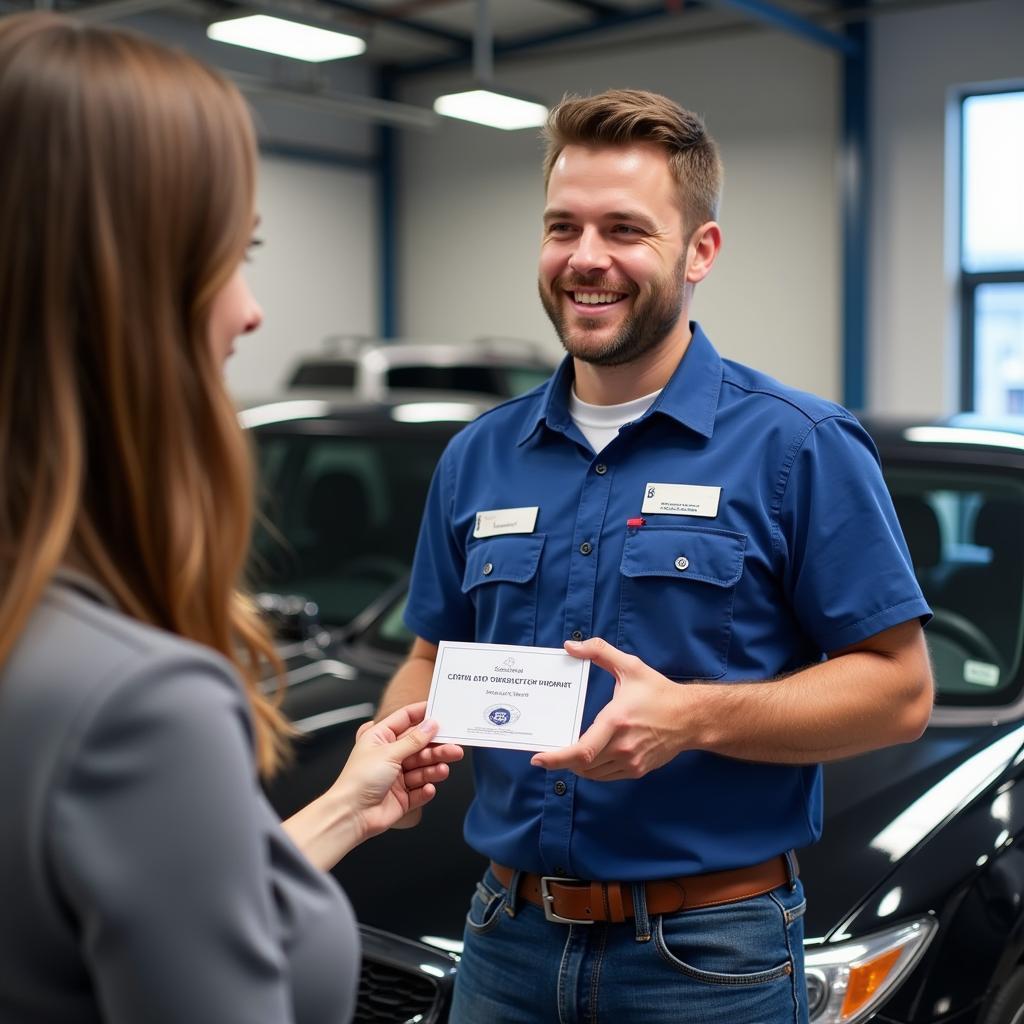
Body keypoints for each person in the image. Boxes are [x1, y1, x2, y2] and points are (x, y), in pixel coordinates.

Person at [376, 89, 934, 1023]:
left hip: (707, 958)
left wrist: (690, 718)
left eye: (625, 230)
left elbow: (900, 689)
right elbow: (430, 657)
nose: (586, 259)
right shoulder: (480, 454)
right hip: (502, 941)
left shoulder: (799, 447)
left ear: (698, 251)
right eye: (563, 227)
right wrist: (393, 745)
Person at [0, 13, 461, 1024]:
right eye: (232, 253)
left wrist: (346, 805)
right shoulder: (137, 701)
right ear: (120, 287)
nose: (251, 310)